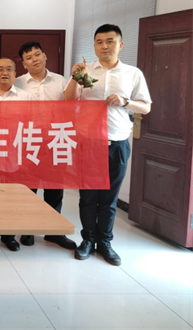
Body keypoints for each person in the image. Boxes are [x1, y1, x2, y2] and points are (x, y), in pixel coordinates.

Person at [65, 24, 151, 266]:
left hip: (117, 142)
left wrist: (125, 102)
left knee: (109, 199)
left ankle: (105, 242)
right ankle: (87, 240)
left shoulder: (133, 73)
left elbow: (145, 106)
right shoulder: (85, 71)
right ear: (94, 45)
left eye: (110, 41)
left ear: (120, 45)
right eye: (99, 42)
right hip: (88, 142)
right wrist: (74, 76)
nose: (104, 46)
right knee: (88, 197)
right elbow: (68, 100)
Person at [13, 42, 77, 251]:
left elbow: (71, 105)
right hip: (28, 141)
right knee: (29, 188)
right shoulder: (18, 82)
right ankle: (28, 229)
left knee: (54, 189)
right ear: (24, 64)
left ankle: (53, 231)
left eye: (37, 54)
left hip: (55, 140)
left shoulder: (60, 81)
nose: (35, 59)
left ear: (45, 55)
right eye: (29, 57)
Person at [0, 58, 36, 253]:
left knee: (11, 198)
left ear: (15, 74)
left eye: (9, 69)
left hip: (14, 155)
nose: (5, 73)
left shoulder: (25, 97)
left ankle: (8, 235)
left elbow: (32, 125)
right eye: (0, 69)